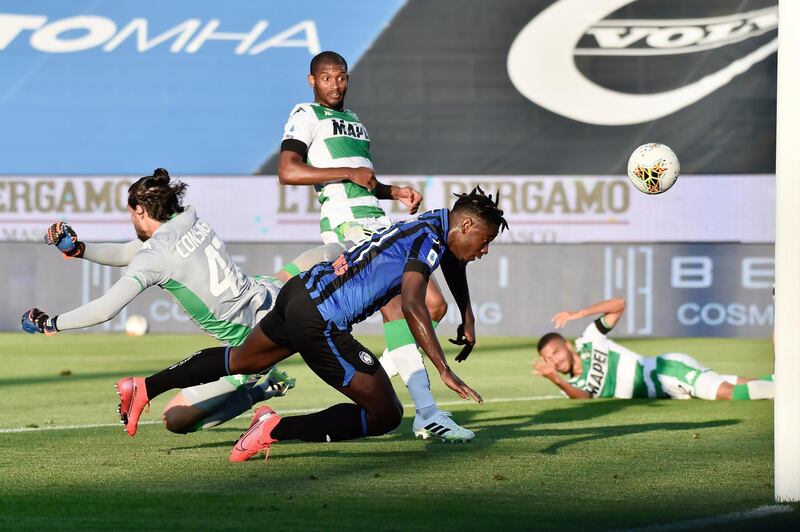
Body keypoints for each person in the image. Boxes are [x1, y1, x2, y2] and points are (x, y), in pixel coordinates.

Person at [115, 187, 508, 462]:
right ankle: (271, 429)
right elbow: (411, 303)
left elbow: (453, 261)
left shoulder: (436, 223)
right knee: (385, 414)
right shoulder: (431, 236)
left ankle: (144, 387)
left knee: (242, 360)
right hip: (321, 319)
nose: (485, 250)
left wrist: (468, 315)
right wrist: (443, 369)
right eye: (486, 241)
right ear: (469, 227)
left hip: (300, 293)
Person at [21, 168, 346, 434]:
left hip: (253, 342)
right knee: (328, 254)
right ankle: (363, 252)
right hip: (269, 294)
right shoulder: (189, 218)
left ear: (141, 210)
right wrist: (80, 249)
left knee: (175, 419)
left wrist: (52, 323)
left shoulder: (155, 256)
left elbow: (106, 308)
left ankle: (262, 390)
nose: (132, 222)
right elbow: (127, 252)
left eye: (131, 214)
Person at [277, 50, 472, 441]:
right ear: (312, 80)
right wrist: (347, 170)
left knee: (431, 306)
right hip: (348, 227)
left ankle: (397, 372)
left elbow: (362, 182)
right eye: (327, 77)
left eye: (342, 77)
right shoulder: (306, 114)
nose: (335, 84)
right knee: (407, 306)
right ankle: (428, 413)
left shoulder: (354, 122)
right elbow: (288, 170)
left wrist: (392, 190)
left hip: (379, 222)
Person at [534, 297, 775, 401]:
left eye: (554, 352)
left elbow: (619, 304)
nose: (553, 360)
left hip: (665, 371)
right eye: (547, 359)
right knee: (736, 384)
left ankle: (787, 394)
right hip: (667, 389)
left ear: (566, 344)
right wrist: (554, 379)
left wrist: (579, 314)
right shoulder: (572, 386)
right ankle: (781, 382)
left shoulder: (589, 340)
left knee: (729, 393)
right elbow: (584, 397)